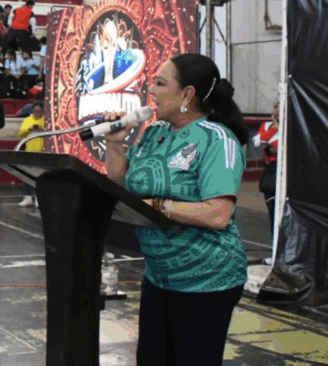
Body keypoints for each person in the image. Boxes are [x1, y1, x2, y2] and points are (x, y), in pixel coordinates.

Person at [104, 53, 247, 366]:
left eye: (159, 83)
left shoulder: (217, 140)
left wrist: (157, 207)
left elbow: (217, 214)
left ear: (187, 94)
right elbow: (123, 185)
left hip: (207, 280)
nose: (151, 91)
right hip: (160, 277)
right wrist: (115, 144)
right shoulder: (154, 133)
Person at [252, 98, 279, 261]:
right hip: (270, 173)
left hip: (285, 172)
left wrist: (271, 146)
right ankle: (275, 253)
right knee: (273, 214)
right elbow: (257, 142)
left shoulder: (291, 126)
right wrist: (274, 129)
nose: (276, 110)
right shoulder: (267, 126)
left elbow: (285, 147)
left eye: (280, 107)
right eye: (275, 106)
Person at [17, 102, 45, 207]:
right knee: (28, 175)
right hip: (30, 150)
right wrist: (30, 129)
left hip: (42, 151)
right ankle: (28, 197)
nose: (37, 113)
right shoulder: (28, 120)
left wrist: (42, 130)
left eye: (39, 111)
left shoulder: (46, 120)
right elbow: (21, 134)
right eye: (35, 111)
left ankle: (39, 198)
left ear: (43, 111)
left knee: (40, 176)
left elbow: (52, 132)